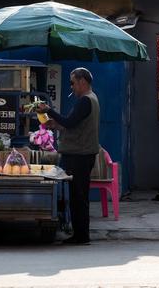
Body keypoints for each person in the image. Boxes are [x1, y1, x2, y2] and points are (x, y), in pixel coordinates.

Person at [37, 67, 100, 245]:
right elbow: (73, 124)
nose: (71, 86)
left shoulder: (85, 101)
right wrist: (56, 125)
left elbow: (70, 122)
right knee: (78, 196)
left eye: (72, 83)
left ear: (82, 82)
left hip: (79, 155)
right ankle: (80, 234)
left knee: (78, 197)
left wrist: (49, 110)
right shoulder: (89, 100)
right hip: (82, 153)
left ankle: (81, 236)